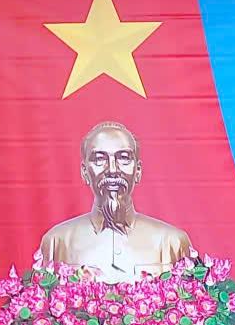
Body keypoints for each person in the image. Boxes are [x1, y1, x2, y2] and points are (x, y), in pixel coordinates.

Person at [39, 121, 191, 283]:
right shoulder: (57, 241)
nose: (112, 170)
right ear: (84, 172)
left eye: (124, 158)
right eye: (99, 159)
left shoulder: (172, 242)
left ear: (138, 171)